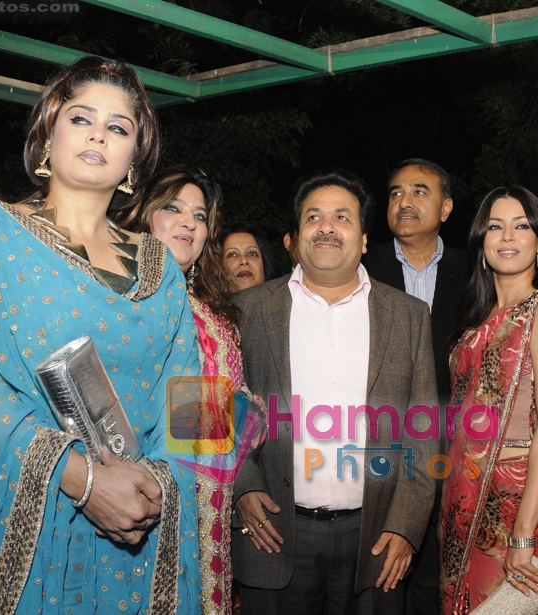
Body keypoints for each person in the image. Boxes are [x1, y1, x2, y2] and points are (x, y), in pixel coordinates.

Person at [0, 56, 202, 614]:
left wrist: (155, 484)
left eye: (119, 127)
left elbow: (198, 403)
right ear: (47, 135)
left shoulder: (163, 268)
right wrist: (82, 480)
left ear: (134, 160)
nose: (100, 132)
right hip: (15, 530)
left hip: (134, 538)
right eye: (81, 118)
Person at [230, 168, 438, 615]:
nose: (326, 227)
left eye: (342, 217)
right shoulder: (243, 311)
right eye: (313, 217)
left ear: (364, 239)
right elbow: (203, 413)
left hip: (376, 540)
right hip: (272, 533)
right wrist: (242, 488)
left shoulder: (408, 315)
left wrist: (405, 528)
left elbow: (424, 434)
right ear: (295, 237)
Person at [440, 185, 538, 614]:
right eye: (495, 227)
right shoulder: (477, 318)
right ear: (481, 243)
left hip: (513, 506)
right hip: (461, 499)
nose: (507, 236)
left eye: (521, 226)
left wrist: (523, 535)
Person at [137, 168, 264, 615]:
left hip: (212, 506)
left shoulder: (212, 310)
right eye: (173, 208)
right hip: (149, 504)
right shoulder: (125, 296)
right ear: (145, 214)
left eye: (200, 215)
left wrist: (247, 413)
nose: (189, 222)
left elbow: (231, 403)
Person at [362, 158, 467, 614]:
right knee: (377, 575)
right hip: (375, 447)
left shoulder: (476, 271)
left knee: (436, 577)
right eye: (396, 192)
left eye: (419, 191)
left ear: (446, 208)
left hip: (460, 447)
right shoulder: (362, 267)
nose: (404, 201)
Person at [218, 221, 278, 292]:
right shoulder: (204, 302)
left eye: (252, 254)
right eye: (232, 255)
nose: (244, 261)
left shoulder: (287, 301)